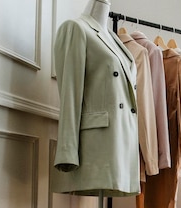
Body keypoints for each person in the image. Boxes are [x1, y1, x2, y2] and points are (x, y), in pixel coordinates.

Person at [51, 0, 140, 197]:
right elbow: (70, 93)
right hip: (95, 147)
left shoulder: (115, 40)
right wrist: (67, 152)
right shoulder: (75, 28)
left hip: (120, 143)